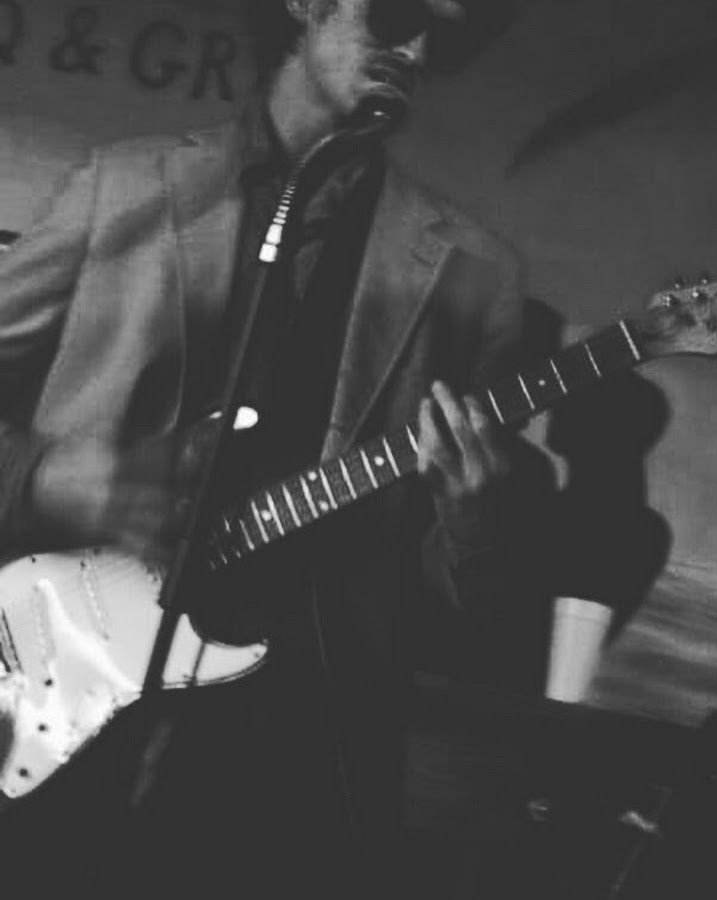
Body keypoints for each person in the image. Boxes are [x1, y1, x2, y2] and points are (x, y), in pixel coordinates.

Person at [0, 0, 561, 895]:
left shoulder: (472, 275)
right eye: (398, 13)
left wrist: (476, 521)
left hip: (288, 750)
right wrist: (42, 476)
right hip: (56, 683)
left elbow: (448, 594)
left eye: (446, 37)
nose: (417, 51)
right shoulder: (124, 187)